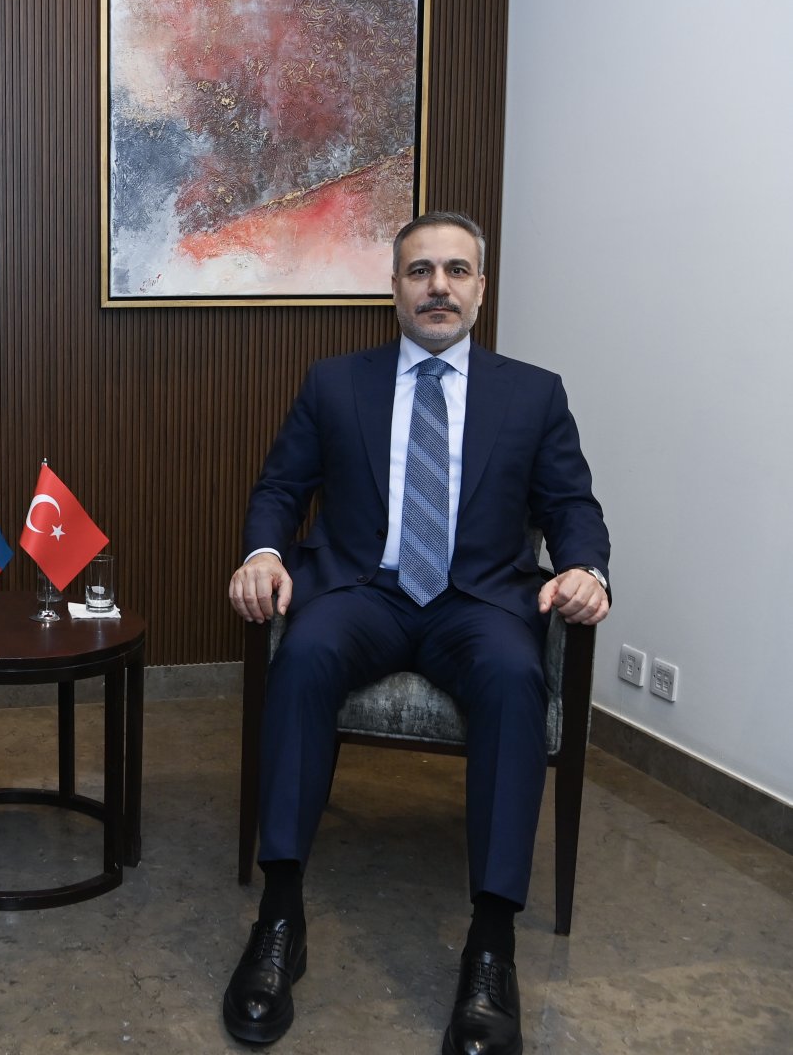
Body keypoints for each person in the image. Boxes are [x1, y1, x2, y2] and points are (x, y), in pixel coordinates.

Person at [222, 212, 610, 1055]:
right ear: (394, 287)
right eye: (421, 270)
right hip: (364, 591)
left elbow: (571, 504)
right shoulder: (336, 383)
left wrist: (586, 568)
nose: (439, 286)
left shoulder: (533, 393)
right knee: (304, 656)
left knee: (514, 680)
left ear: (481, 288)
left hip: (478, 603)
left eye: (457, 271)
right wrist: (262, 553)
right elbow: (282, 487)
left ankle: (491, 949)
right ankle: (279, 920)